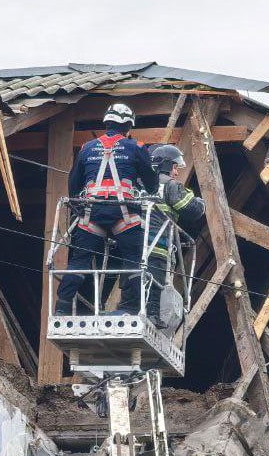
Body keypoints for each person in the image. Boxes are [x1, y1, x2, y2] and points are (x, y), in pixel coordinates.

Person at [54, 103, 159, 315]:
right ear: (128, 125)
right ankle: (142, 308)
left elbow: (74, 186)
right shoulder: (137, 147)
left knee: (79, 262)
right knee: (133, 260)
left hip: (92, 214)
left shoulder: (86, 148)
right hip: (124, 215)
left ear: (107, 123)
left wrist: (80, 210)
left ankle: (62, 308)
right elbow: (152, 185)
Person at [144, 143, 205, 323]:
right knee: (155, 281)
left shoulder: (138, 185)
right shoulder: (169, 185)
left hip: (133, 243)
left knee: (132, 279)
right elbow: (191, 209)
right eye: (175, 167)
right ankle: (152, 316)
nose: (176, 173)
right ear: (165, 165)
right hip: (158, 245)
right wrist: (201, 203)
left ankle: (128, 309)